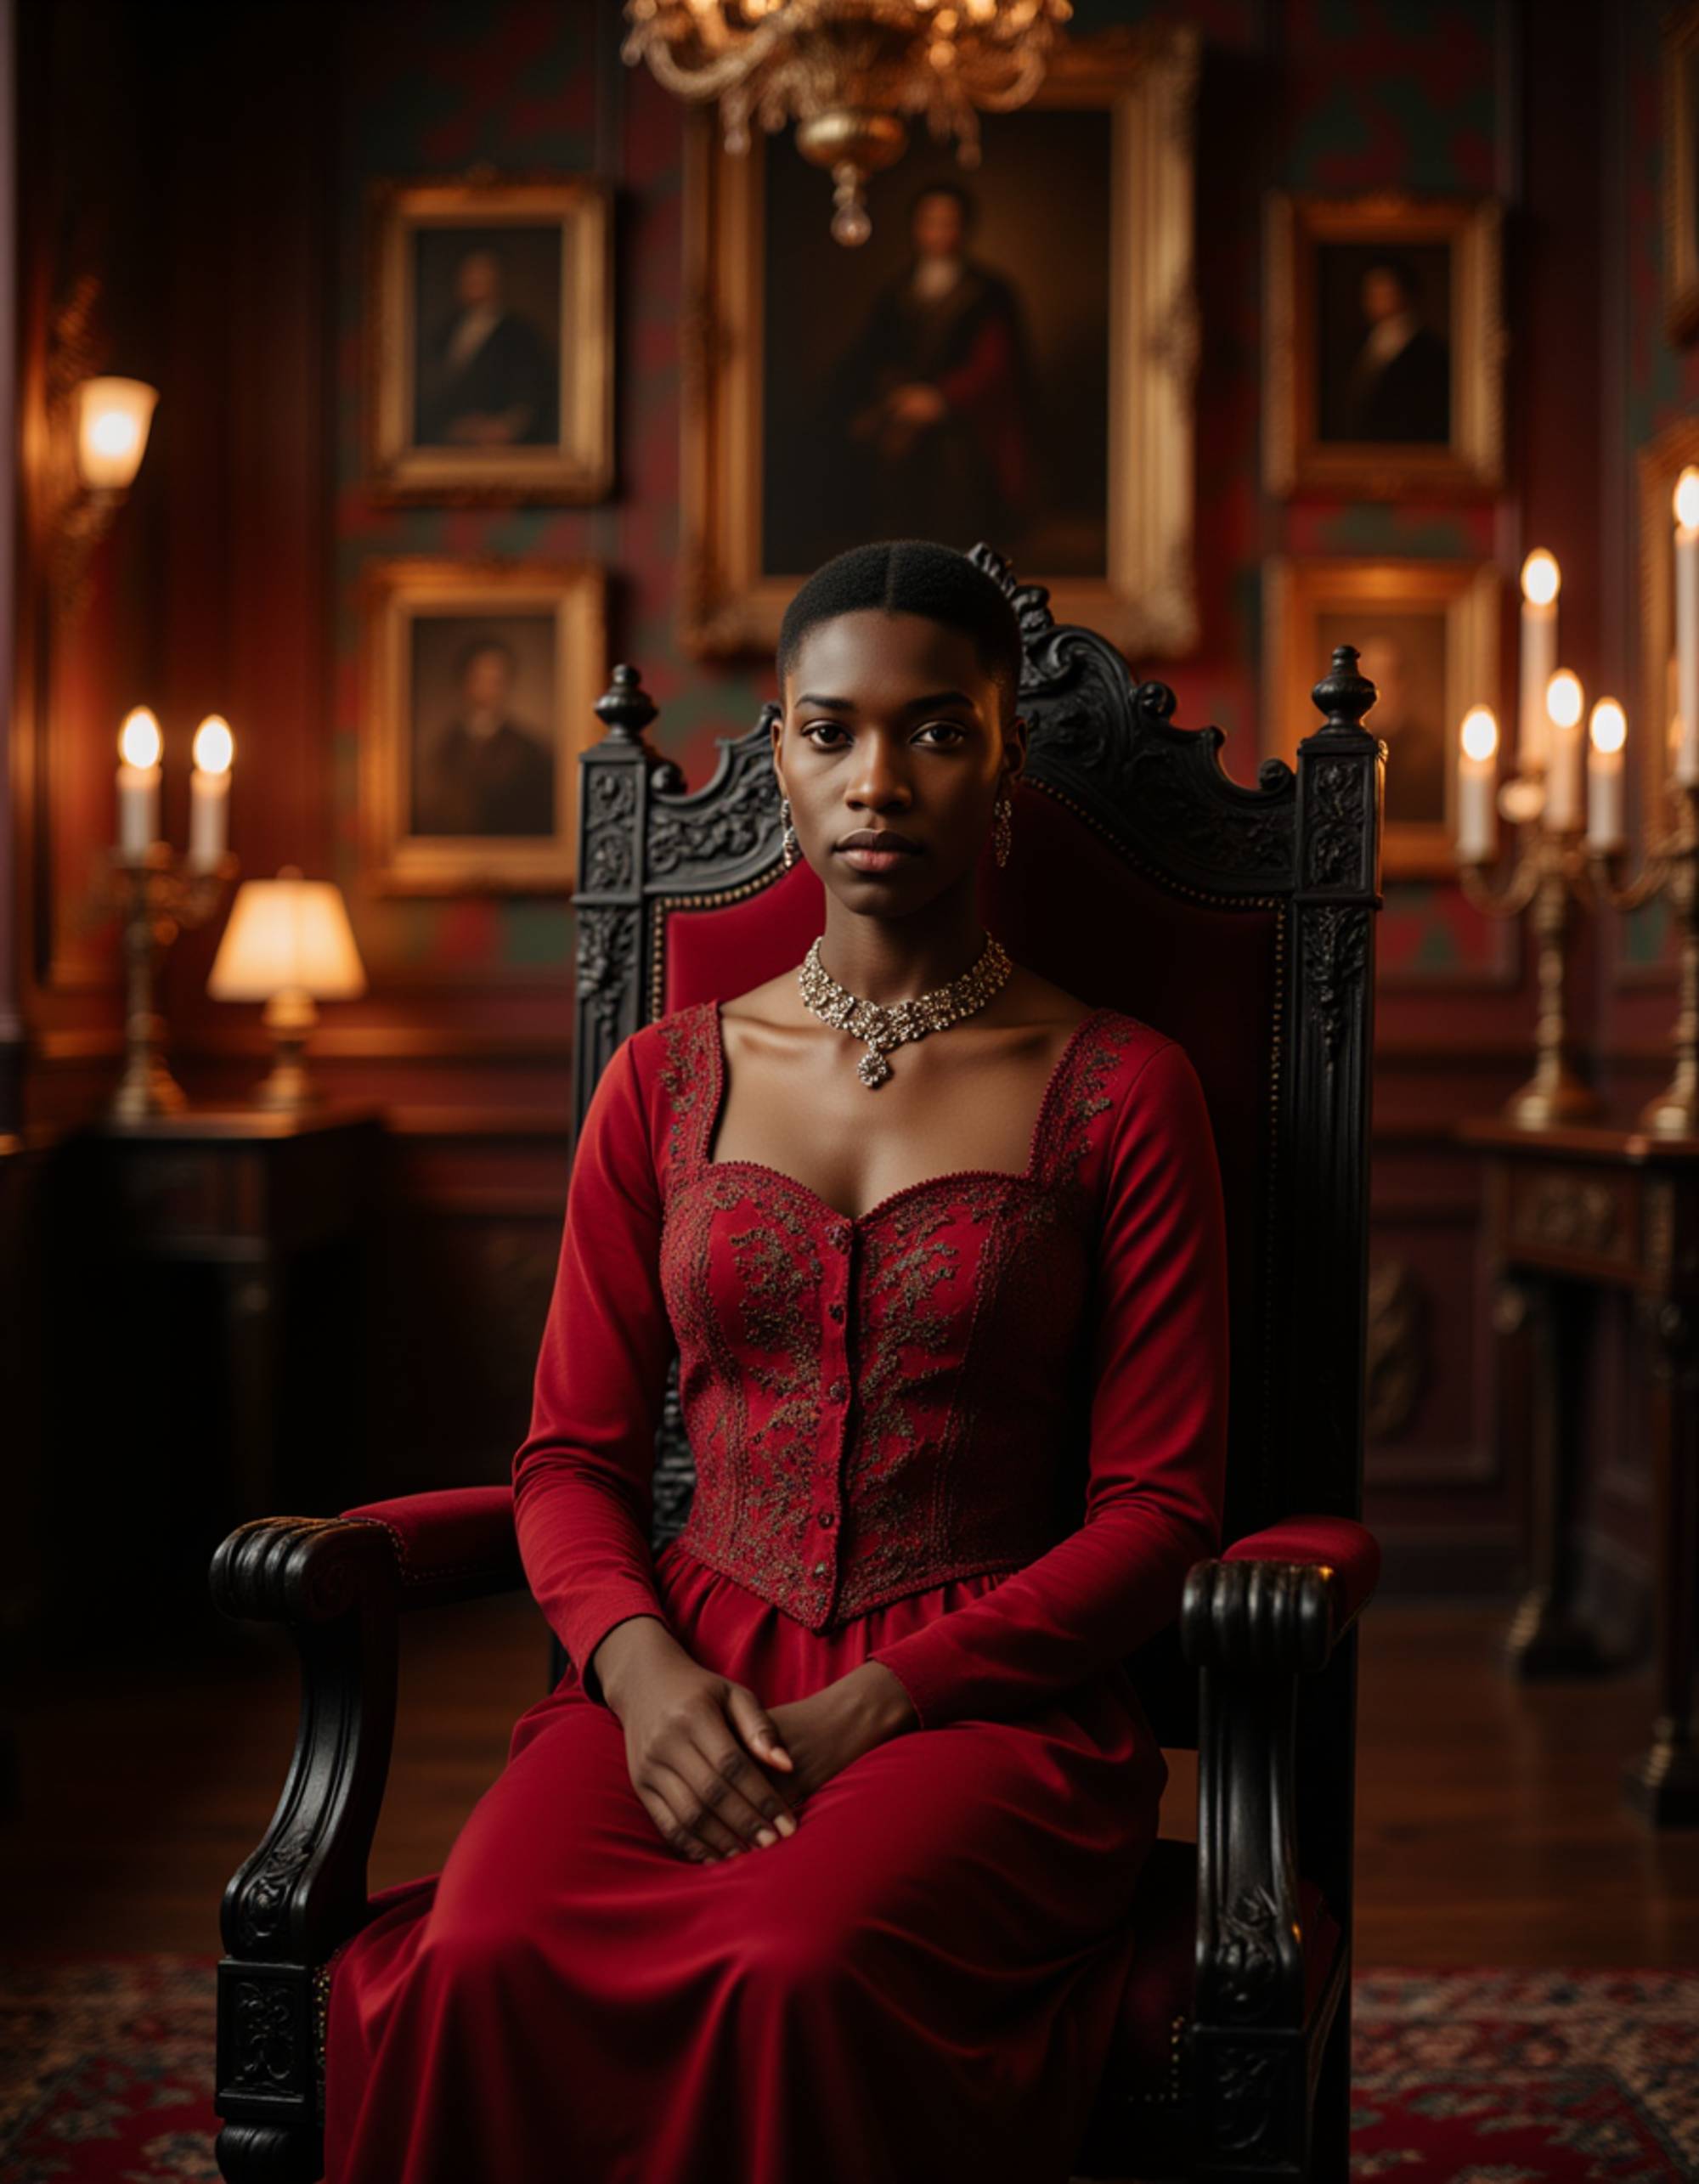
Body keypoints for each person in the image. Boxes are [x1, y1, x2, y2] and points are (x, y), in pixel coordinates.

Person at [323, 539, 1230, 2184]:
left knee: (794, 1966)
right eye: (830, 732)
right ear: (784, 765)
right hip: (687, 1658)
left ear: (1004, 767)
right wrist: (642, 1676)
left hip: (986, 1704)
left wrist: (886, 1699)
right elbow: (569, 1460)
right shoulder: (663, 1081)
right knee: (480, 1951)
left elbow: (1160, 1510)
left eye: (935, 730)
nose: (878, 779)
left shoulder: (1121, 1087)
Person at [821, 184, 1040, 552]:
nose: (939, 232)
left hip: (965, 420)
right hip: (899, 411)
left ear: (964, 228)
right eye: (930, 222)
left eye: (948, 222)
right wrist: (893, 396)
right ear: (916, 227)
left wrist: (940, 398)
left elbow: (996, 369)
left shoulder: (990, 293)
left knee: (954, 477)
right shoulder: (897, 291)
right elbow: (872, 357)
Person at [415, 243, 559, 449]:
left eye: (482, 276)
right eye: (469, 275)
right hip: (448, 443)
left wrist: (504, 427)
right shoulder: (444, 332)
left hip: (498, 446)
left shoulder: (521, 333)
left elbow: (534, 395)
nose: (474, 282)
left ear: (498, 279)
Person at [412, 635, 556, 838]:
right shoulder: (443, 749)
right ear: (464, 682)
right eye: (479, 679)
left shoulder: (531, 751)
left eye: (496, 681)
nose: (488, 690)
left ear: (508, 684)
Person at [1336, 255, 1450, 444]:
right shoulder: (1360, 344)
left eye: (1384, 292)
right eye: (1371, 292)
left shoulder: (1430, 352)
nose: (1375, 300)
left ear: (1405, 293)